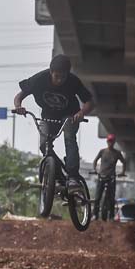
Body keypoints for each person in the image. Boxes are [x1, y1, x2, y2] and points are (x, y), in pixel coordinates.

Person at [13, 54, 94, 193]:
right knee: (43, 144)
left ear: (68, 74)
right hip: (48, 116)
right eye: (57, 76)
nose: (60, 80)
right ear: (51, 72)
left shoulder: (73, 81)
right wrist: (18, 106)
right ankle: (56, 175)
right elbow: (19, 95)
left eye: (63, 77)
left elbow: (90, 101)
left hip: (70, 116)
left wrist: (81, 113)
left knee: (69, 138)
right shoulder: (39, 79)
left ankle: (73, 177)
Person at [92, 134, 127, 220]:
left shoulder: (117, 153)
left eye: (112, 141)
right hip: (101, 176)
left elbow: (124, 162)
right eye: (109, 141)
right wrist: (95, 170)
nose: (110, 143)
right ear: (107, 141)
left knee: (111, 198)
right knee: (97, 197)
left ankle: (111, 216)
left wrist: (122, 172)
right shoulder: (102, 151)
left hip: (111, 177)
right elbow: (95, 161)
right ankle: (95, 215)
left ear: (114, 142)